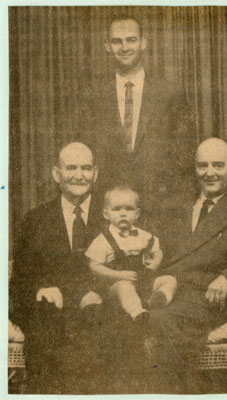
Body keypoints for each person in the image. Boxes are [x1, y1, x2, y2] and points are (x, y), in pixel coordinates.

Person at [149, 137, 227, 394]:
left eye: (218, 165)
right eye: (202, 166)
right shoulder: (177, 208)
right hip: (169, 291)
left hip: (211, 301)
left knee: (162, 320)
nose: (209, 173)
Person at [9, 142, 105, 394]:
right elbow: (18, 284)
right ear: (56, 174)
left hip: (99, 308)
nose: (79, 175)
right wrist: (39, 290)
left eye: (86, 168)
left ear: (95, 173)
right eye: (70, 168)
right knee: (45, 329)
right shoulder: (34, 221)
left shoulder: (112, 216)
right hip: (53, 313)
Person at [78, 14, 196, 212]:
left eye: (131, 40)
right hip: (108, 208)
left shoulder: (170, 93)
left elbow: (184, 156)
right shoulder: (92, 95)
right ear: (107, 45)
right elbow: (84, 153)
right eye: (117, 41)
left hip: (160, 207)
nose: (124, 48)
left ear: (143, 42)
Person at [85, 184, 177, 322]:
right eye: (116, 209)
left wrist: (155, 264)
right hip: (115, 286)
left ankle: (155, 301)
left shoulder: (143, 236)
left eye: (129, 209)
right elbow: (94, 266)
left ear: (137, 214)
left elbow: (158, 251)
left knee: (170, 280)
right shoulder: (102, 240)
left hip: (143, 282)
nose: (123, 213)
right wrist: (118, 275)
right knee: (124, 287)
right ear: (106, 214)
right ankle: (138, 313)